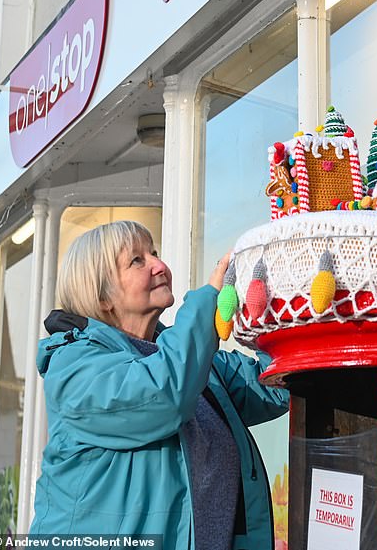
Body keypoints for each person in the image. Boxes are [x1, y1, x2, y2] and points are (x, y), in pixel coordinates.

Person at [29, 220, 289, 550]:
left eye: (154, 252)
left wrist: (277, 311)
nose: (159, 265)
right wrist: (209, 300)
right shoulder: (74, 369)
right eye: (137, 260)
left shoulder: (184, 356)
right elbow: (164, 394)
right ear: (102, 295)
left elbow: (274, 385)